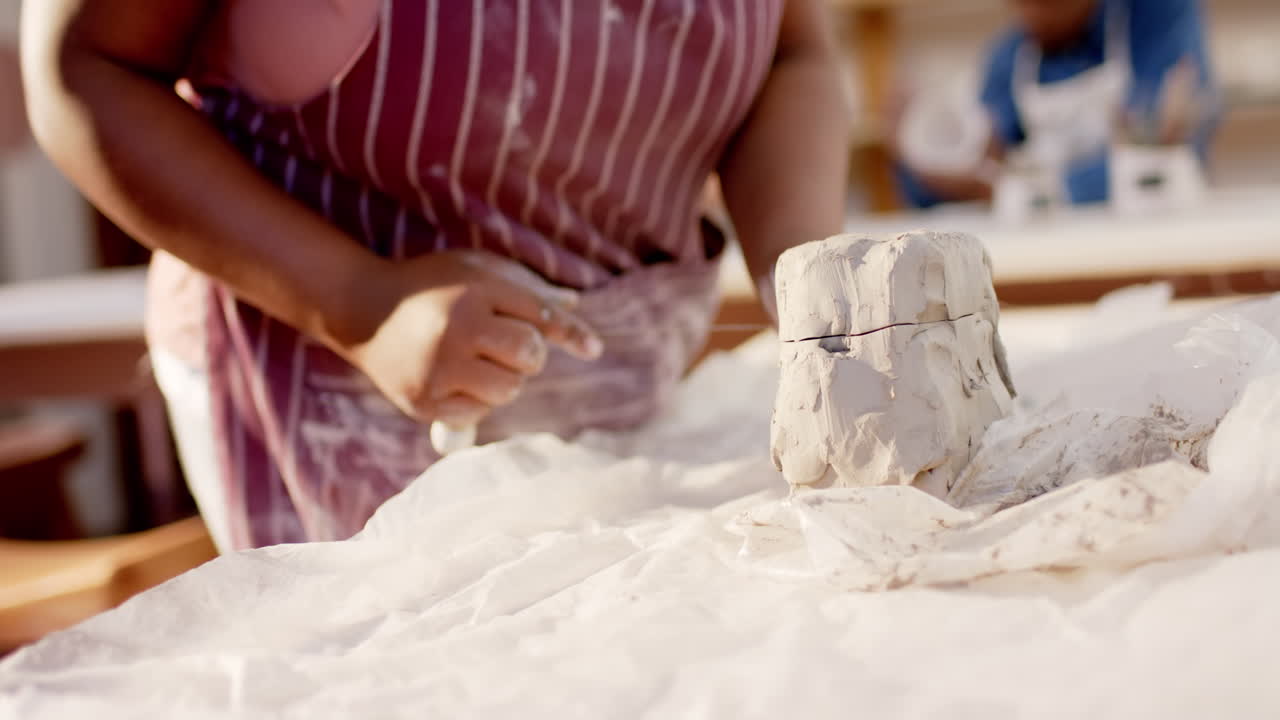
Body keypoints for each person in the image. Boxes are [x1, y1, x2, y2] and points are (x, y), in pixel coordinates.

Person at [22, 1, 850, 551]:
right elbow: (81, 67)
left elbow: (792, 50)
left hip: (633, 360)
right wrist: (361, 304)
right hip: (326, 377)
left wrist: (811, 283)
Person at [895, 0, 1217, 208]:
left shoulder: (1159, 17)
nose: (1030, 16)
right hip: (1058, 244)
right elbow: (980, 164)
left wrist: (1022, 193)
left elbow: (1165, 151)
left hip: (1158, 231)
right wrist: (911, 156)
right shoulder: (1010, 55)